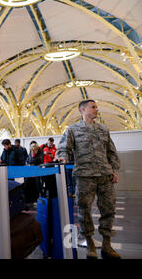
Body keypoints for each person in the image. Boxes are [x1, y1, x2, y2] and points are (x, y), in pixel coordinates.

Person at [56, 100, 121, 259]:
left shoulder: (103, 129)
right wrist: (62, 158)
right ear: (83, 110)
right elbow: (64, 148)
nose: (96, 109)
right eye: (93, 107)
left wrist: (113, 170)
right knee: (84, 210)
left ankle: (107, 245)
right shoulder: (72, 130)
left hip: (105, 176)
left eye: (96, 107)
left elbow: (111, 152)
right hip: (84, 176)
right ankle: (90, 243)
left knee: (109, 209)